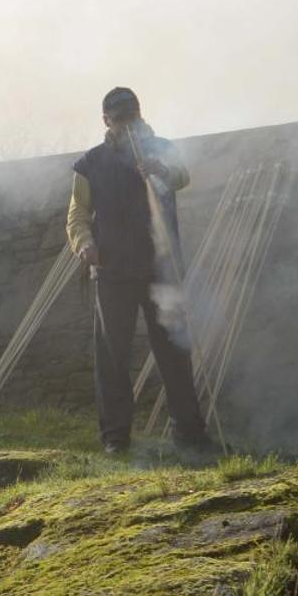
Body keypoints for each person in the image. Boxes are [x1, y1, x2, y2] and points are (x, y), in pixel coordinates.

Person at [66, 87, 210, 455]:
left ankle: (189, 434)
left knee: (175, 352)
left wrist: (160, 169)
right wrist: (84, 243)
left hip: (162, 266)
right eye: (120, 120)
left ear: (140, 116)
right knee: (112, 357)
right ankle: (116, 438)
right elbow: (77, 214)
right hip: (113, 271)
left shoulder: (161, 148)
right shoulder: (90, 163)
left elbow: (182, 176)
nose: (128, 126)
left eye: (132, 118)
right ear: (106, 122)